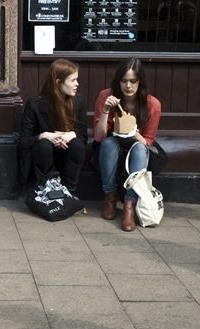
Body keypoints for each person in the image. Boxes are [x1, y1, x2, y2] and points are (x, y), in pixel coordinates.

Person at [93, 58, 162, 232]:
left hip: (137, 146)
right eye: (124, 81)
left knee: (139, 148)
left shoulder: (152, 104)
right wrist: (107, 111)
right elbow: (99, 137)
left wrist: (133, 132)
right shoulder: (106, 96)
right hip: (111, 146)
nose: (128, 86)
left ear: (140, 82)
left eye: (133, 81)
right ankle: (109, 197)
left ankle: (129, 205)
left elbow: (148, 140)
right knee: (108, 143)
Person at [18, 58, 87, 193]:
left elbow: (83, 136)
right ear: (58, 82)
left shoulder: (79, 101)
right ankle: (47, 189)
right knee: (43, 145)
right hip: (43, 159)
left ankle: (68, 191)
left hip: (67, 157)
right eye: (73, 80)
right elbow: (22, 141)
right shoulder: (35, 104)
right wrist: (44, 136)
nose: (77, 84)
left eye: (77, 79)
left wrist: (70, 135)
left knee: (78, 145)